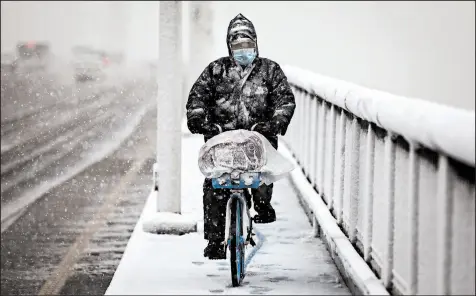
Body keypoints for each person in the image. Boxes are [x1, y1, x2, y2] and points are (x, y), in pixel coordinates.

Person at [186, 13, 296, 260]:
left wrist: (273, 124)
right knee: (215, 186)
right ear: (229, 46)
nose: (243, 50)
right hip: (221, 140)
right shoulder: (215, 71)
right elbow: (197, 99)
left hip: (258, 139)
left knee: (261, 176)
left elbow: (284, 100)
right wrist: (201, 121)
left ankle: (263, 205)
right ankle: (214, 240)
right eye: (237, 46)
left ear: (256, 44)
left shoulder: (270, 70)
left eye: (248, 45)